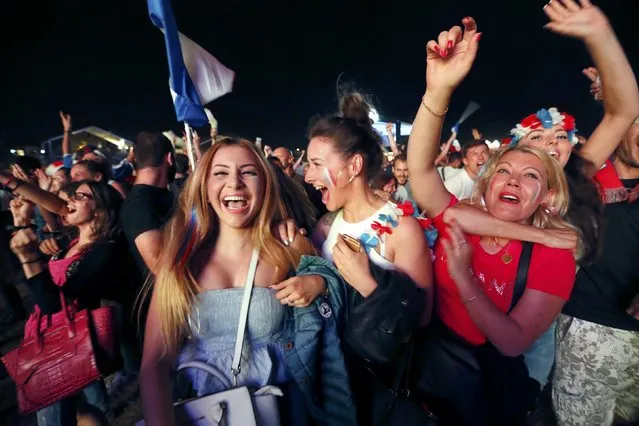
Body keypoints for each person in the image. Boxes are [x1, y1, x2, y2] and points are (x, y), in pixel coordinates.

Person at [406, 16, 581, 425]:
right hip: (431, 371)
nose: (514, 181)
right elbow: (420, 170)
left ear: (548, 196)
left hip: (483, 390)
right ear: (485, 184)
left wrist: (464, 276)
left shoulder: (554, 253)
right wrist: (439, 88)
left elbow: (511, 340)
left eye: (531, 176)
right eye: (503, 171)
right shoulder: (459, 217)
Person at [139, 137, 356, 426]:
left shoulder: (289, 245)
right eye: (220, 173)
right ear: (204, 187)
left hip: (288, 411)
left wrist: (319, 282)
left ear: (265, 186)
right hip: (211, 414)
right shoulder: (180, 263)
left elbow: (339, 299)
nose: (235, 183)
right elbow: (155, 363)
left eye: (248, 172)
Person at [7, 180, 135, 426]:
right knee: (84, 411)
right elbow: (35, 279)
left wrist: (31, 258)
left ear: (99, 210)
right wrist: (22, 223)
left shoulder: (104, 252)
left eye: (81, 196)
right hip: (53, 339)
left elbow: (54, 304)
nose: (70, 201)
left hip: (60, 348)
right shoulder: (70, 244)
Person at [120, 132, 176, 277]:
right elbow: (162, 267)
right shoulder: (138, 205)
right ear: (169, 158)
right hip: (172, 297)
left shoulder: (164, 196)